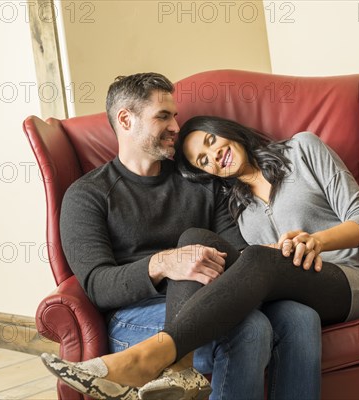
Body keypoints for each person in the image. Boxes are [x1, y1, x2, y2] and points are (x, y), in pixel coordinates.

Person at [42, 73, 323, 400]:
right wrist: (162, 264)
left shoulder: (202, 182)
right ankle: (150, 361)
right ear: (125, 119)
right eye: (163, 116)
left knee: (300, 317)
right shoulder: (87, 195)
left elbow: (237, 252)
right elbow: (97, 285)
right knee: (249, 328)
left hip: (212, 300)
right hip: (136, 317)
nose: (176, 126)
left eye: (174, 116)